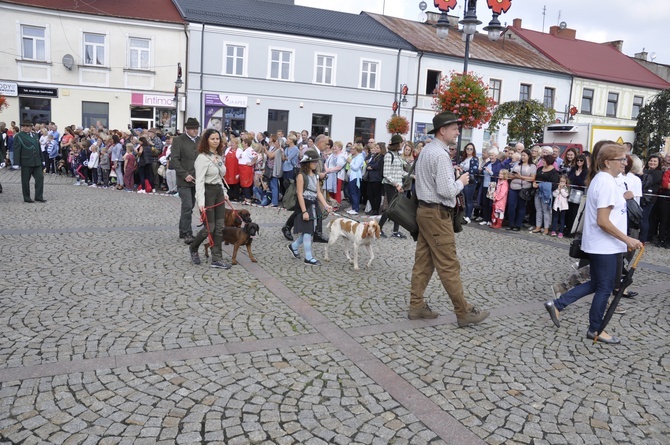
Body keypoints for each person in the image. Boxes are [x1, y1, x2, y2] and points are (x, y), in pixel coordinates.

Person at [544, 143, 643, 344]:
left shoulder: (608, 180)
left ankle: (557, 305)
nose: (626, 163)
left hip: (608, 245)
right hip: (604, 245)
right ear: (607, 162)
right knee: (605, 288)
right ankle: (595, 329)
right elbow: (603, 220)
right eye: (622, 159)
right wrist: (627, 239)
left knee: (597, 284)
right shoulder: (605, 181)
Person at [408, 111, 490, 327]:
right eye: (454, 128)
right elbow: (446, 191)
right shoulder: (441, 155)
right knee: (448, 264)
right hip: (436, 214)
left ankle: (416, 305)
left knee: (424, 262)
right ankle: (463, 311)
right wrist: (461, 181)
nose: (457, 131)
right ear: (442, 131)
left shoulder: (427, 150)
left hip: (426, 212)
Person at [188, 129, 232, 270]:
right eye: (212, 138)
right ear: (206, 140)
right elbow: (199, 181)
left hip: (218, 191)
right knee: (209, 228)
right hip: (207, 193)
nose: (215, 141)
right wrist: (200, 202)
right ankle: (194, 247)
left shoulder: (218, 156)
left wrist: (224, 192)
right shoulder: (202, 158)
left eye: (217, 138)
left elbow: (221, 176)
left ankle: (216, 259)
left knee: (219, 227)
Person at [287, 149, 333, 266]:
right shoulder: (301, 176)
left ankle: (294, 246)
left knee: (310, 231)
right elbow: (300, 194)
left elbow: (318, 192)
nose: (316, 164)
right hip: (305, 205)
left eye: (316, 162)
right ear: (307, 163)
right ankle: (308, 257)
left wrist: (326, 205)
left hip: (313, 204)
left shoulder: (316, 176)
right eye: (314, 162)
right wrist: (304, 211)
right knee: (307, 231)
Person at [171, 117, 201, 244]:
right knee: (187, 205)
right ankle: (187, 232)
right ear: (187, 129)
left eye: (196, 128)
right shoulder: (179, 140)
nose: (195, 131)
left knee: (190, 206)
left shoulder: (200, 141)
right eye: (192, 129)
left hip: (197, 179)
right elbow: (175, 160)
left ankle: (183, 231)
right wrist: (184, 174)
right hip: (184, 180)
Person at [378, 134, 407, 238]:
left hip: (398, 185)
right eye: (401, 142)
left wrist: (413, 176)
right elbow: (386, 174)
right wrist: (396, 185)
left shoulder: (398, 155)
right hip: (390, 186)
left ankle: (395, 231)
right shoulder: (389, 155)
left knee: (397, 209)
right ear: (397, 143)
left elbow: (401, 172)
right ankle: (379, 228)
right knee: (390, 209)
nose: (403, 144)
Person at [14, 120, 46, 203]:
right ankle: (27, 197)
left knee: (40, 178)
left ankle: (38, 196)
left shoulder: (35, 135)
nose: (25, 128)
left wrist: (42, 159)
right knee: (25, 181)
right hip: (26, 161)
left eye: (27, 126)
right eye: (23, 126)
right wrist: (16, 162)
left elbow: (38, 148)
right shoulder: (19, 136)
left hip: (36, 161)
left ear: (31, 127)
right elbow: (17, 149)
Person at [530, 153, 559, 235]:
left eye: (544, 160)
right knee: (538, 210)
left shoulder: (554, 172)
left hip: (546, 194)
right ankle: (538, 226)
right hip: (538, 192)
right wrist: (534, 183)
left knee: (546, 211)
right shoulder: (540, 169)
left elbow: (554, 185)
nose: (542, 161)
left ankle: (546, 228)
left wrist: (542, 185)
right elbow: (536, 178)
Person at [639, 154, 663, 244]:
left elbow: (647, 183)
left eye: (655, 161)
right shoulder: (646, 170)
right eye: (651, 160)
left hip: (648, 199)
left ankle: (643, 238)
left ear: (658, 163)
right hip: (642, 197)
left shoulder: (658, 173)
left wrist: (641, 175)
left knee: (644, 218)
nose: (652, 162)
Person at [458, 142, 479, 224]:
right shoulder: (463, 158)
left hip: (470, 181)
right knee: (462, 199)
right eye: (468, 148)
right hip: (462, 180)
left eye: (471, 149)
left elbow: (474, 170)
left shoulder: (474, 159)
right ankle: (463, 215)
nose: (469, 150)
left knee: (468, 200)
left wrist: (462, 170)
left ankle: (468, 216)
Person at [346, 143, 365, 215]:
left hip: (356, 177)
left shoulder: (360, 157)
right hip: (352, 177)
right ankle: (354, 207)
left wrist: (350, 162)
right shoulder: (355, 157)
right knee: (352, 192)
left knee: (355, 193)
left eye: (352, 149)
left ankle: (356, 209)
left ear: (356, 150)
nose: (351, 150)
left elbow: (356, 168)